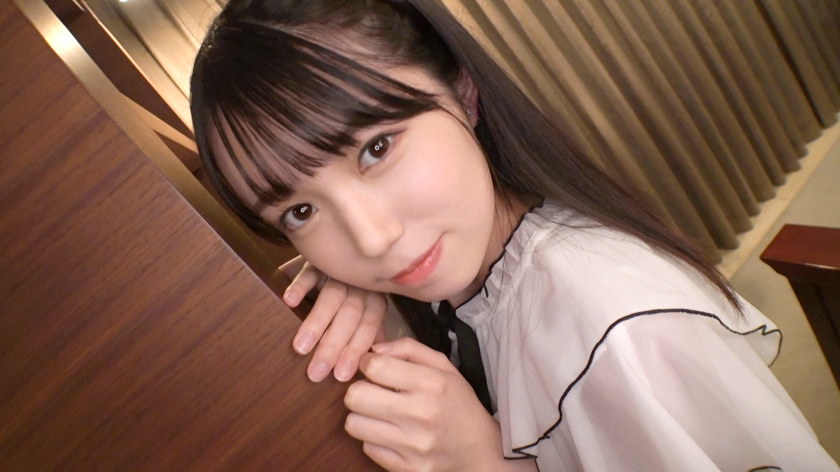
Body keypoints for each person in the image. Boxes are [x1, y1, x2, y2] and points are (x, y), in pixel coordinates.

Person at [189, 0, 839, 470]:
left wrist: (484, 464)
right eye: (300, 212)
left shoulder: (617, 336)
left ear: (463, 92)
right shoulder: (470, 280)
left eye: (376, 148)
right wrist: (369, 300)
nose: (372, 238)